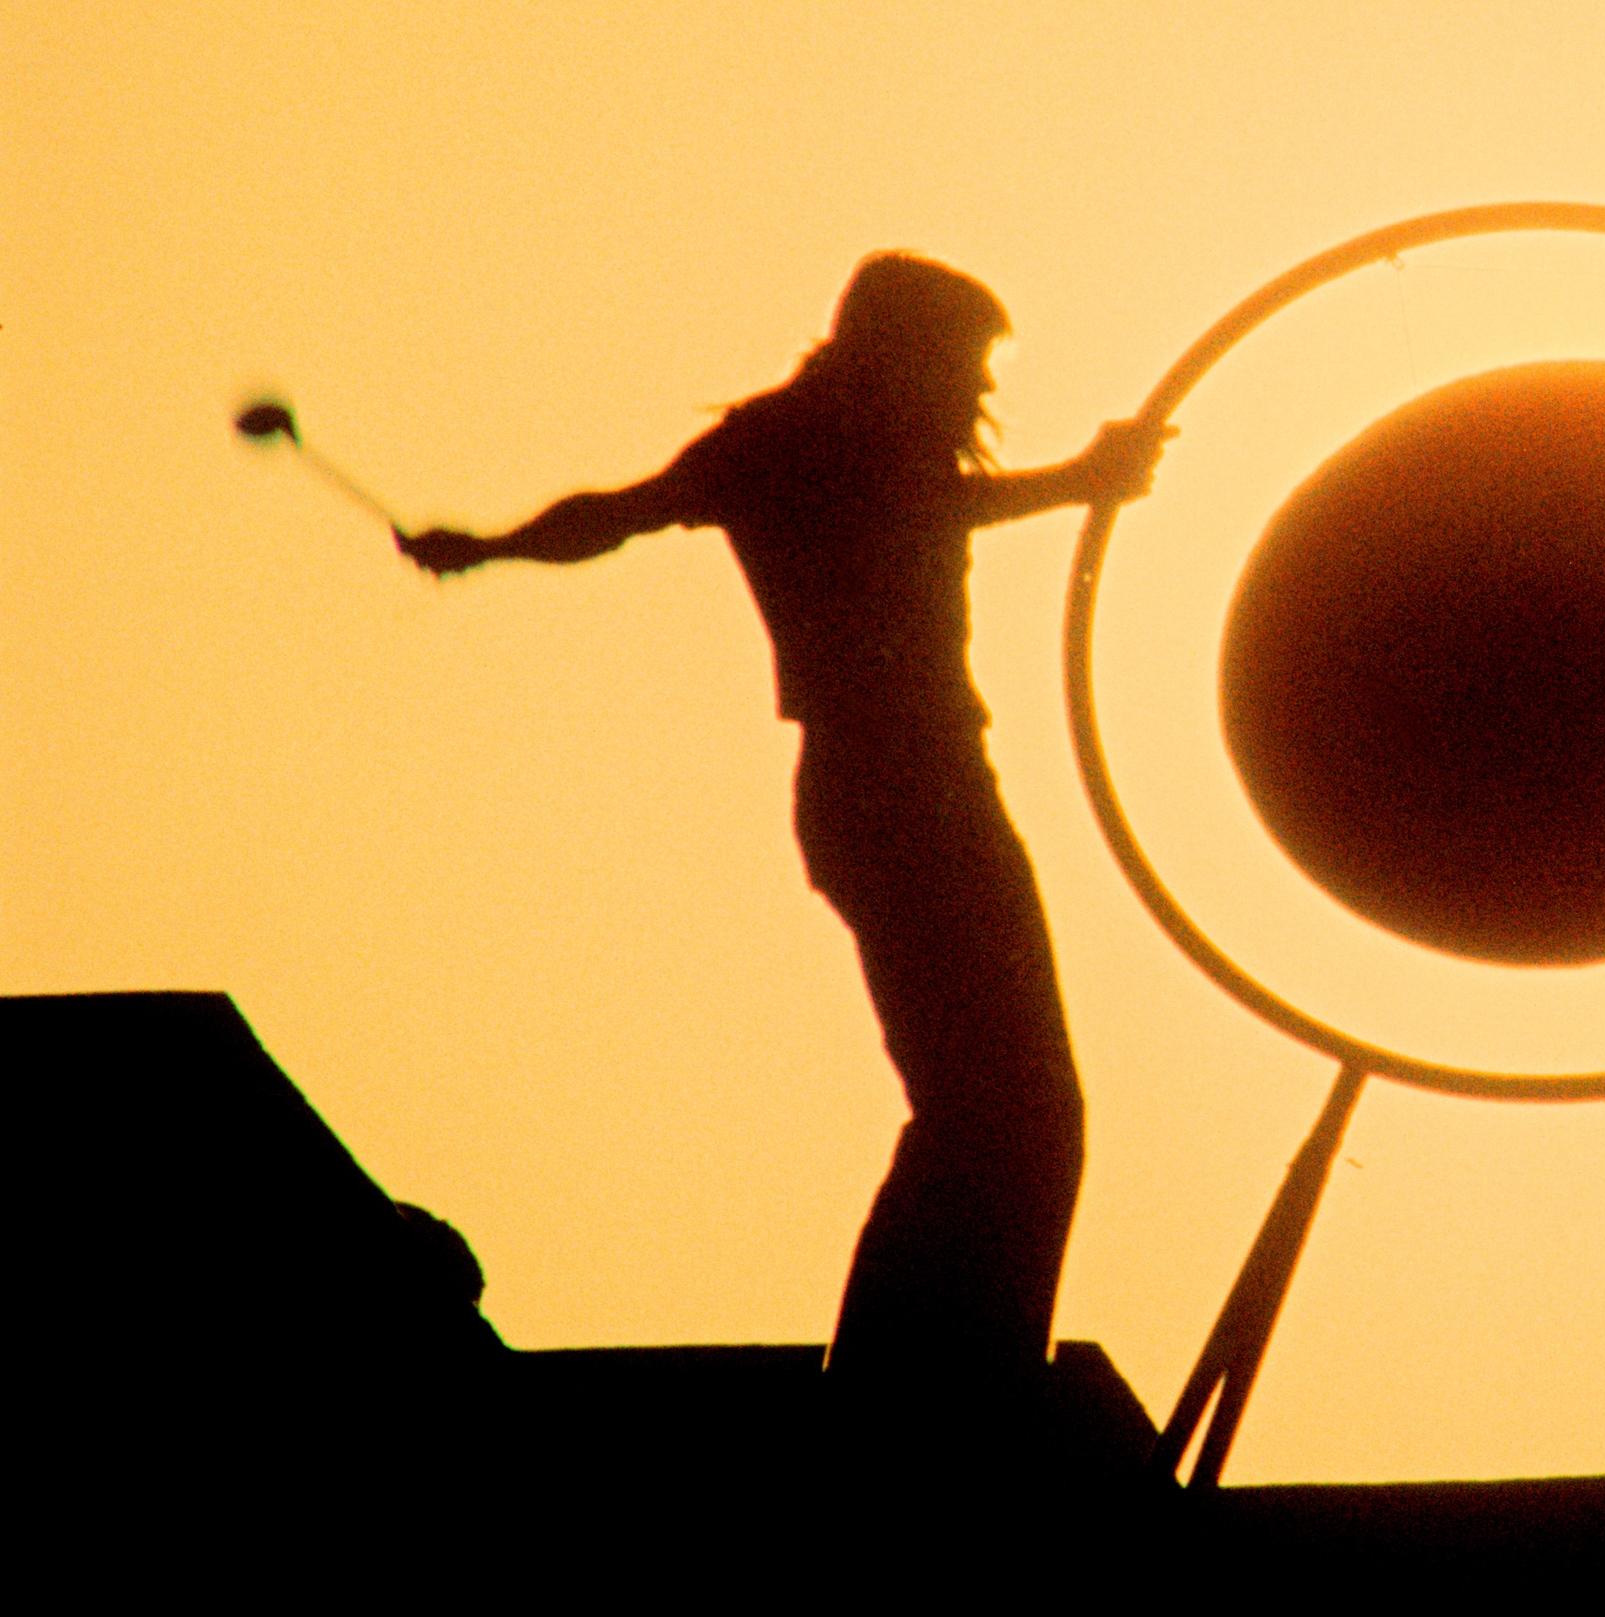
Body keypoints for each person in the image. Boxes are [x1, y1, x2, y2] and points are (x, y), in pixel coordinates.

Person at [399, 253, 1168, 1418]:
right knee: (1011, 1107)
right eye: (964, 365)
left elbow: (616, 515)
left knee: (995, 1106)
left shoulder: (790, 445)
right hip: (905, 790)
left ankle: (928, 1377)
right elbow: (887, 508)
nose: (974, 395)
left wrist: (491, 548)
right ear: (905, 352)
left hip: (903, 787)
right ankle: (933, 1391)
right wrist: (1079, 481)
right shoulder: (812, 447)